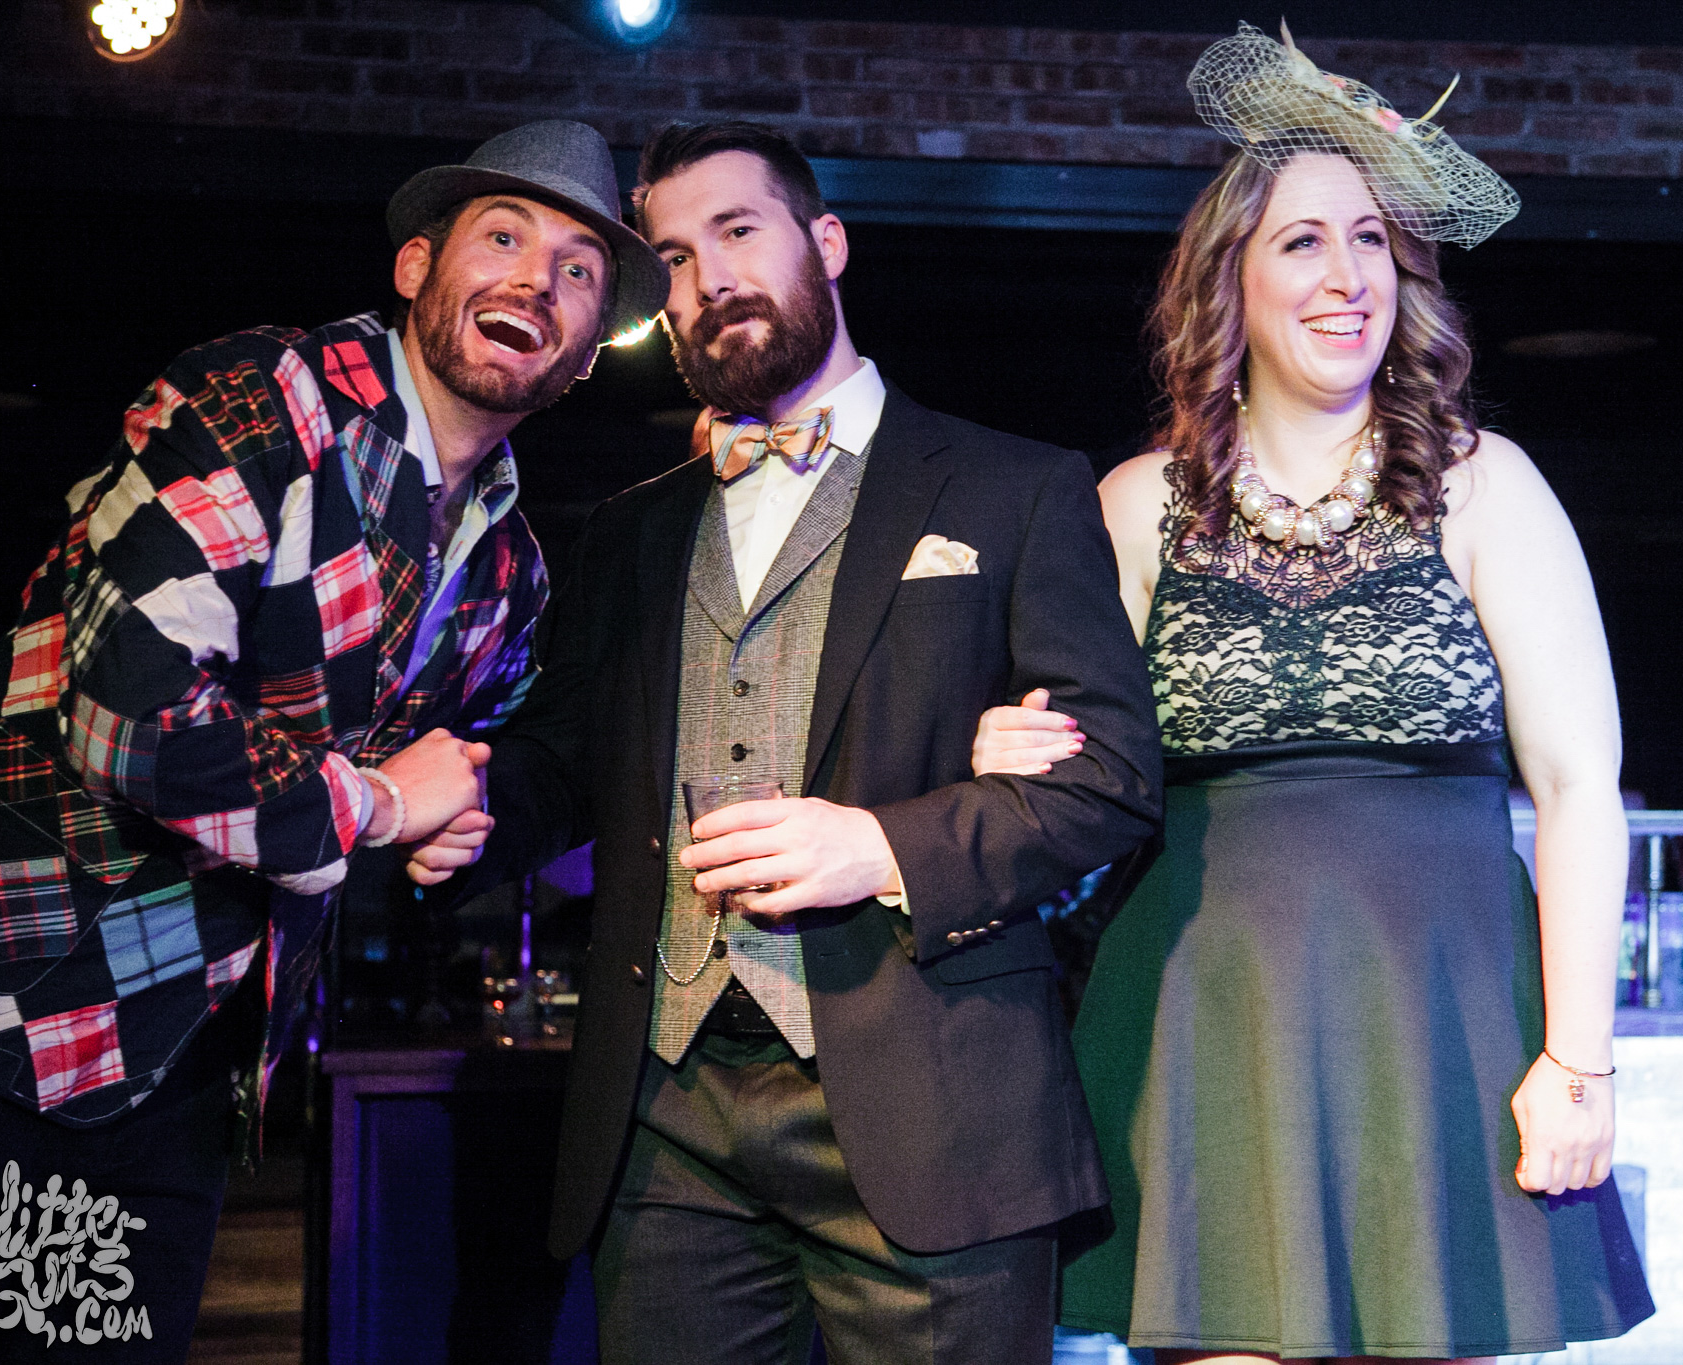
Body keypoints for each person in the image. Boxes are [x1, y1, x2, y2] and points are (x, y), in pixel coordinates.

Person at [407, 119, 1163, 1365]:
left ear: (827, 242)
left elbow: (1110, 778)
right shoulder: (633, 530)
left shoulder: (1012, 489)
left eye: (737, 232)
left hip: (933, 1104)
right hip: (669, 1116)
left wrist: (880, 846)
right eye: (673, 258)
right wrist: (465, 816)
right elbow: (563, 764)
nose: (709, 278)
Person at [0, 120, 667, 1361]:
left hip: (187, 1059)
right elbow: (130, 715)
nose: (537, 279)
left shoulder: (507, 567)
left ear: (588, 355)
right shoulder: (260, 401)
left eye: (578, 270)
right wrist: (381, 805)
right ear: (415, 266)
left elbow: (471, 766)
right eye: (502, 237)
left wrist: (455, 818)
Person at [974, 25, 1654, 1364]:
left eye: (1372, 243)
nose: (1348, 277)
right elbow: (1078, 773)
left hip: (1441, 1019)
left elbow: (1580, 787)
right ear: (1227, 278)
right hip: (1202, 1019)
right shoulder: (1134, 507)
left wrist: (1579, 1059)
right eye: (1302, 242)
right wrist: (1014, 742)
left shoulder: (1483, 485)